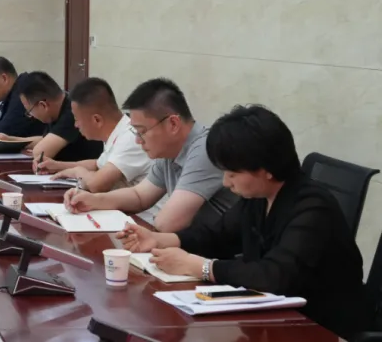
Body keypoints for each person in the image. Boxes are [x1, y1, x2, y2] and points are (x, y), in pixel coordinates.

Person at [118, 105, 371, 340]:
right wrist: (161, 240)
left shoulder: (313, 208)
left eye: (233, 173)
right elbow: (217, 235)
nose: (226, 182)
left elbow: (274, 276)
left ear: (266, 169)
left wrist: (200, 267)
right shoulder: (260, 197)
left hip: (322, 328)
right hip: (272, 320)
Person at [63, 78, 237, 231]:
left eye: (142, 132)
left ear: (173, 124)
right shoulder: (169, 151)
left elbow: (167, 223)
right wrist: (93, 200)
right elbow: (140, 196)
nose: (138, 141)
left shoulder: (204, 149)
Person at [48, 78, 157, 220]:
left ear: (97, 120)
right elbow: (98, 164)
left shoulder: (131, 137)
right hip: (121, 214)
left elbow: (96, 185)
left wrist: (77, 171)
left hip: (142, 220)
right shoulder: (117, 132)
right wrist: (57, 166)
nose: (75, 125)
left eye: (76, 119)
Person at [0, 71, 103, 163]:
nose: (31, 116)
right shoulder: (59, 107)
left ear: (43, 105)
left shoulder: (72, 112)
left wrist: (37, 150)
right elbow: (45, 139)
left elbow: (40, 153)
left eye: (30, 111)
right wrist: (10, 140)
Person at [0, 56, 44, 141]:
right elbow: (10, 122)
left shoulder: (24, 91)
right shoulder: (16, 90)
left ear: (4, 78)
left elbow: (4, 132)